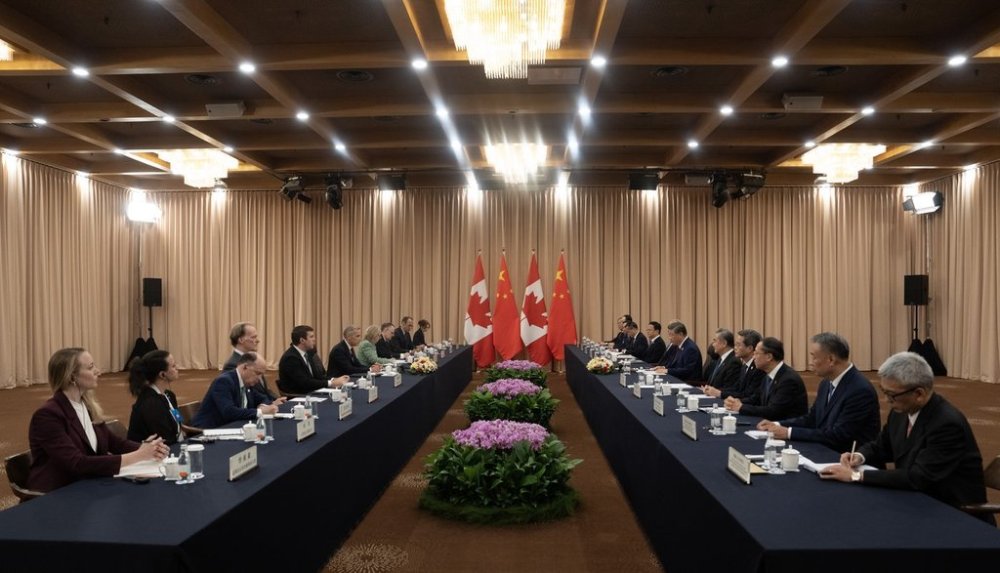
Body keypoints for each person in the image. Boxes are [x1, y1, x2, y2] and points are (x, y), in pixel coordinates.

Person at [820, 352, 994, 524]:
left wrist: (856, 476)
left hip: (953, 513)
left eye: (892, 395)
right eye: (884, 392)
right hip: (917, 499)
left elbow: (918, 478)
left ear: (919, 393)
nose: (887, 400)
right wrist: (859, 456)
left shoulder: (947, 424)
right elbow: (882, 446)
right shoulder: (901, 411)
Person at [27, 348, 168, 492]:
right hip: (58, 493)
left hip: (86, 485)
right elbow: (76, 463)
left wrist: (147, 448)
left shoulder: (86, 406)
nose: (98, 371)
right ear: (71, 377)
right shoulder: (48, 415)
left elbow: (114, 443)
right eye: (90, 367)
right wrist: (138, 455)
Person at [757, 332, 880, 452]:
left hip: (850, 461)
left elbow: (839, 435)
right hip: (825, 451)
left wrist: (789, 432)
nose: (810, 362)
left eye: (814, 357)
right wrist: (777, 424)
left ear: (831, 359)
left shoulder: (859, 389)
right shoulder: (826, 383)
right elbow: (812, 419)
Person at [193, 352, 285, 428]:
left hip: (234, 426)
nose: (259, 378)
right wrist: (260, 411)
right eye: (257, 373)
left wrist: (264, 406)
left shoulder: (247, 382)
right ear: (245, 367)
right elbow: (229, 412)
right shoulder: (224, 381)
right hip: (210, 430)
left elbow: (263, 398)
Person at [724, 337, 807, 420]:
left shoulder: (788, 379)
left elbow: (773, 411)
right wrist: (736, 402)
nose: (753, 357)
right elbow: (755, 399)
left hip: (784, 428)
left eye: (756, 353)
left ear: (769, 357)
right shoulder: (767, 376)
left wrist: (741, 407)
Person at [126, 349, 185, 445]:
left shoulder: (169, 395)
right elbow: (164, 439)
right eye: (173, 366)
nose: (177, 368)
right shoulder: (150, 403)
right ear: (162, 374)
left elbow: (179, 423)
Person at [277, 325, 347, 395]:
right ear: (302, 340)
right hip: (298, 396)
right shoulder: (290, 358)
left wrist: (334, 379)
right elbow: (304, 382)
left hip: (311, 391)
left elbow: (317, 376)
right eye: (311, 337)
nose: (314, 339)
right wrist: (331, 383)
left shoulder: (308, 353)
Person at [702, 329, 765, 400]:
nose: (735, 348)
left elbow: (748, 396)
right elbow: (736, 389)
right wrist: (716, 391)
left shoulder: (758, 368)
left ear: (749, 348)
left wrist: (719, 393)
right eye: (735, 344)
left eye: (738, 345)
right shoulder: (745, 366)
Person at [223, 321, 276, 399]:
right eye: (253, 337)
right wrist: (270, 403)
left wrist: (278, 400)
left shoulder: (253, 360)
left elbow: (264, 389)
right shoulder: (232, 364)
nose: (258, 340)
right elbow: (250, 394)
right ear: (241, 340)